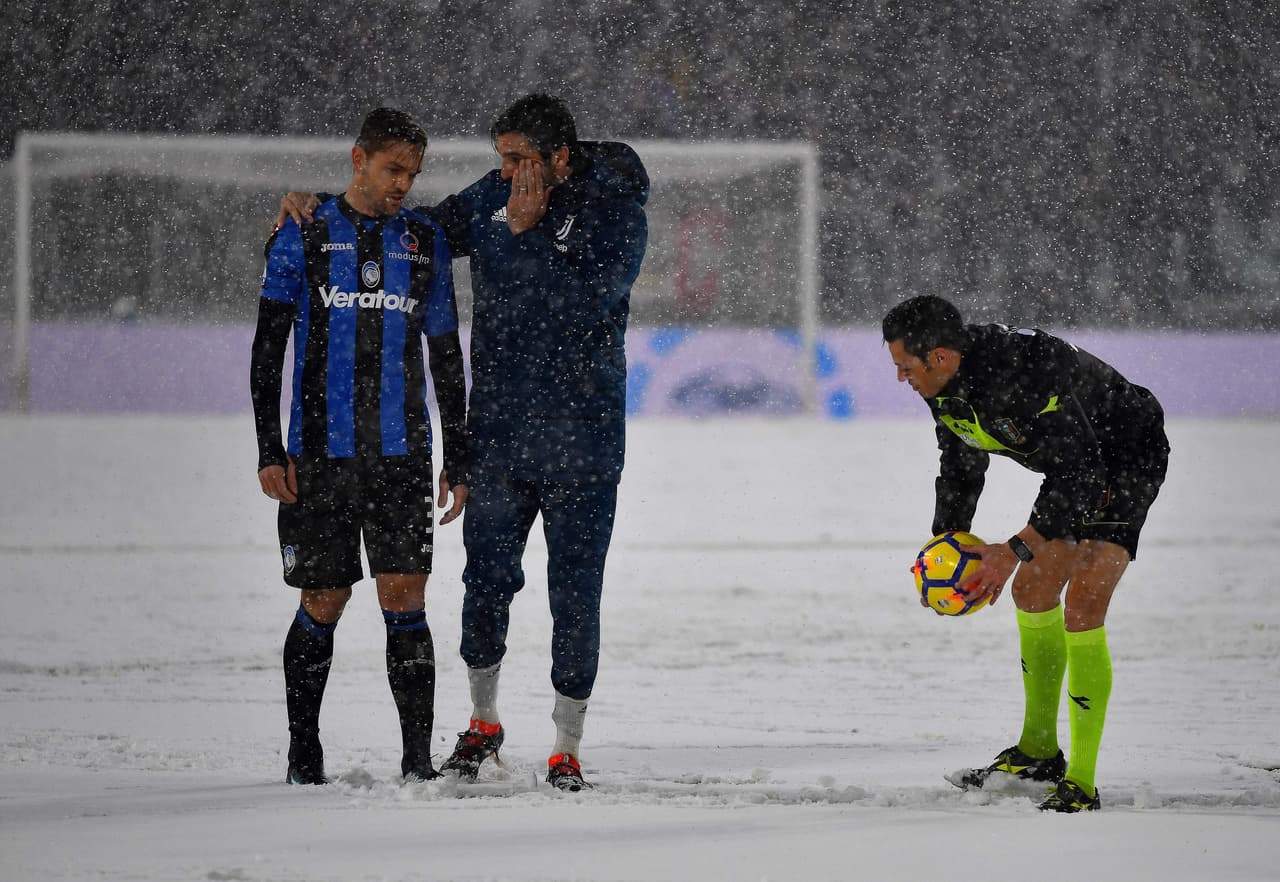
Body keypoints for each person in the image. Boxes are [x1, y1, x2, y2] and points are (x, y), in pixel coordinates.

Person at [277, 93, 649, 791]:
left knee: (575, 595)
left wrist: (522, 231)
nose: (504, 173)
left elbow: (584, 304)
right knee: (485, 587)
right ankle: (483, 722)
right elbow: (419, 225)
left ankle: (566, 745)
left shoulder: (619, 211)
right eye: (501, 160)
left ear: (559, 158)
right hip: (501, 438)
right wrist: (325, 203)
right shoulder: (498, 196)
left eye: (518, 159)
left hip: (585, 445)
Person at [882, 295, 1169, 812]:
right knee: (1033, 591)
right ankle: (1038, 753)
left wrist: (1013, 548)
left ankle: (1081, 783)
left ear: (940, 357)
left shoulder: (1021, 374)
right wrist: (943, 546)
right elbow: (961, 464)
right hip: (1074, 468)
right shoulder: (943, 383)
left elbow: (1080, 476)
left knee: (1082, 603)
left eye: (905, 367)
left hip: (1125, 457)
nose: (902, 378)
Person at [251, 108, 470, 786]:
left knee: (405, 597)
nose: (403, 183)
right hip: (319, 455)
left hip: (402, 458)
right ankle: (303, 749)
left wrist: (456, 456)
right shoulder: (305, 231)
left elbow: (446, 356)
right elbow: (268, 348)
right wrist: (268, 447)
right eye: (392, 168)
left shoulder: (423, 240)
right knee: (325, 599)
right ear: (359, 159)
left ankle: (416, 760)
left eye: (412, 172)